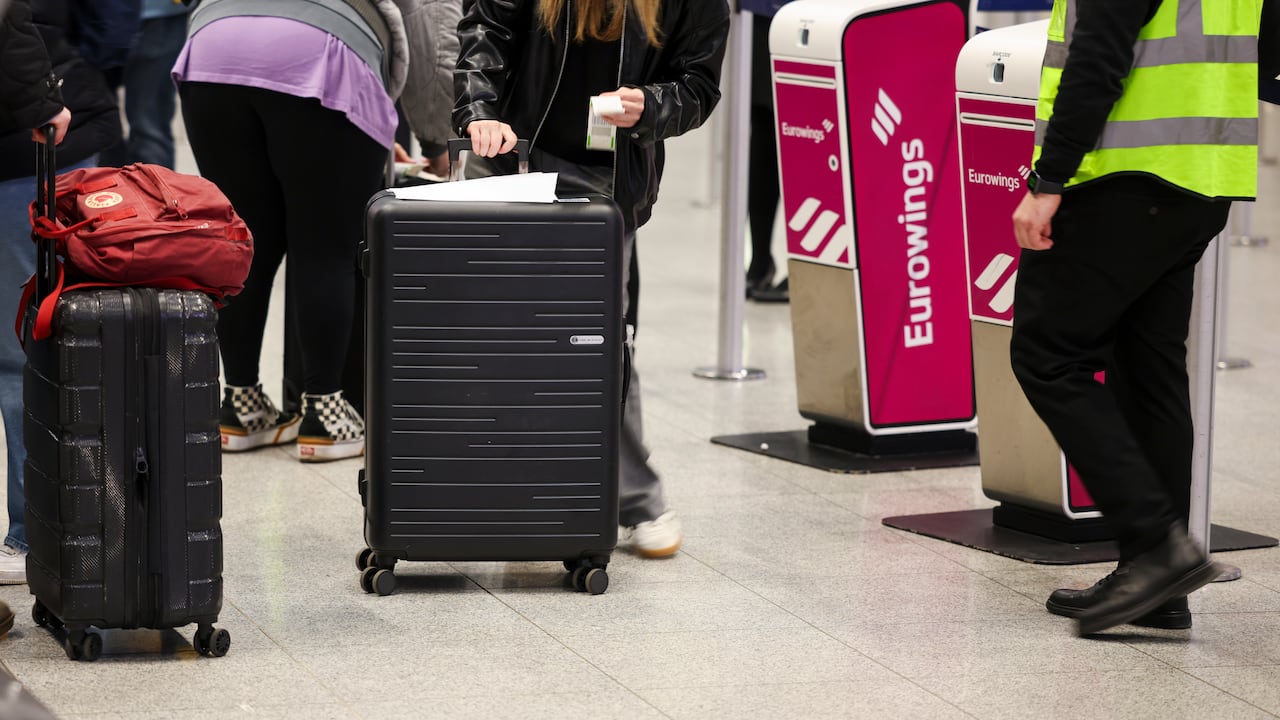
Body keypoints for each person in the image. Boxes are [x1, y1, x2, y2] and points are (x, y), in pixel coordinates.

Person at [1010, 0, 1275, 636]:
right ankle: (1156, 586)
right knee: (1146, 365)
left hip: (1124, 175)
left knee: (1048, 354)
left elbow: (1099, 54)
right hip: (1203, 175)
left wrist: (1050, 179)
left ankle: (1158, 550)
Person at [455, 0, 731, 557]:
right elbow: (485, 30)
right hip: (514, 159)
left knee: (599, 341)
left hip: (607, 182)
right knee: (494, 338)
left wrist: (651, 106)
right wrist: (478, 112)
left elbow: (698, 85)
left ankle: (638, 500)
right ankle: (497, 491)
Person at [174, 0, 461, 462]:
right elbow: (427, 29)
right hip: (323, 52)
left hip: (211, 49)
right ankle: (325, 414)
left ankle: (240, 405)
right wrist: (436, 137)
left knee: (247, 241)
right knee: (325, 246)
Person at [0, 0, 131, 587]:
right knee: (32, 345)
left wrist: (44, 97)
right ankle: (51, 533)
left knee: (25, 348)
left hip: (30, 143)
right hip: (40, 129)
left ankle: (38, 535)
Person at [100, 0, 190, 169]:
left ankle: (150, 192)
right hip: (94, 15)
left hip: (156, 14)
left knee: (147, 127)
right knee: (100, 126)